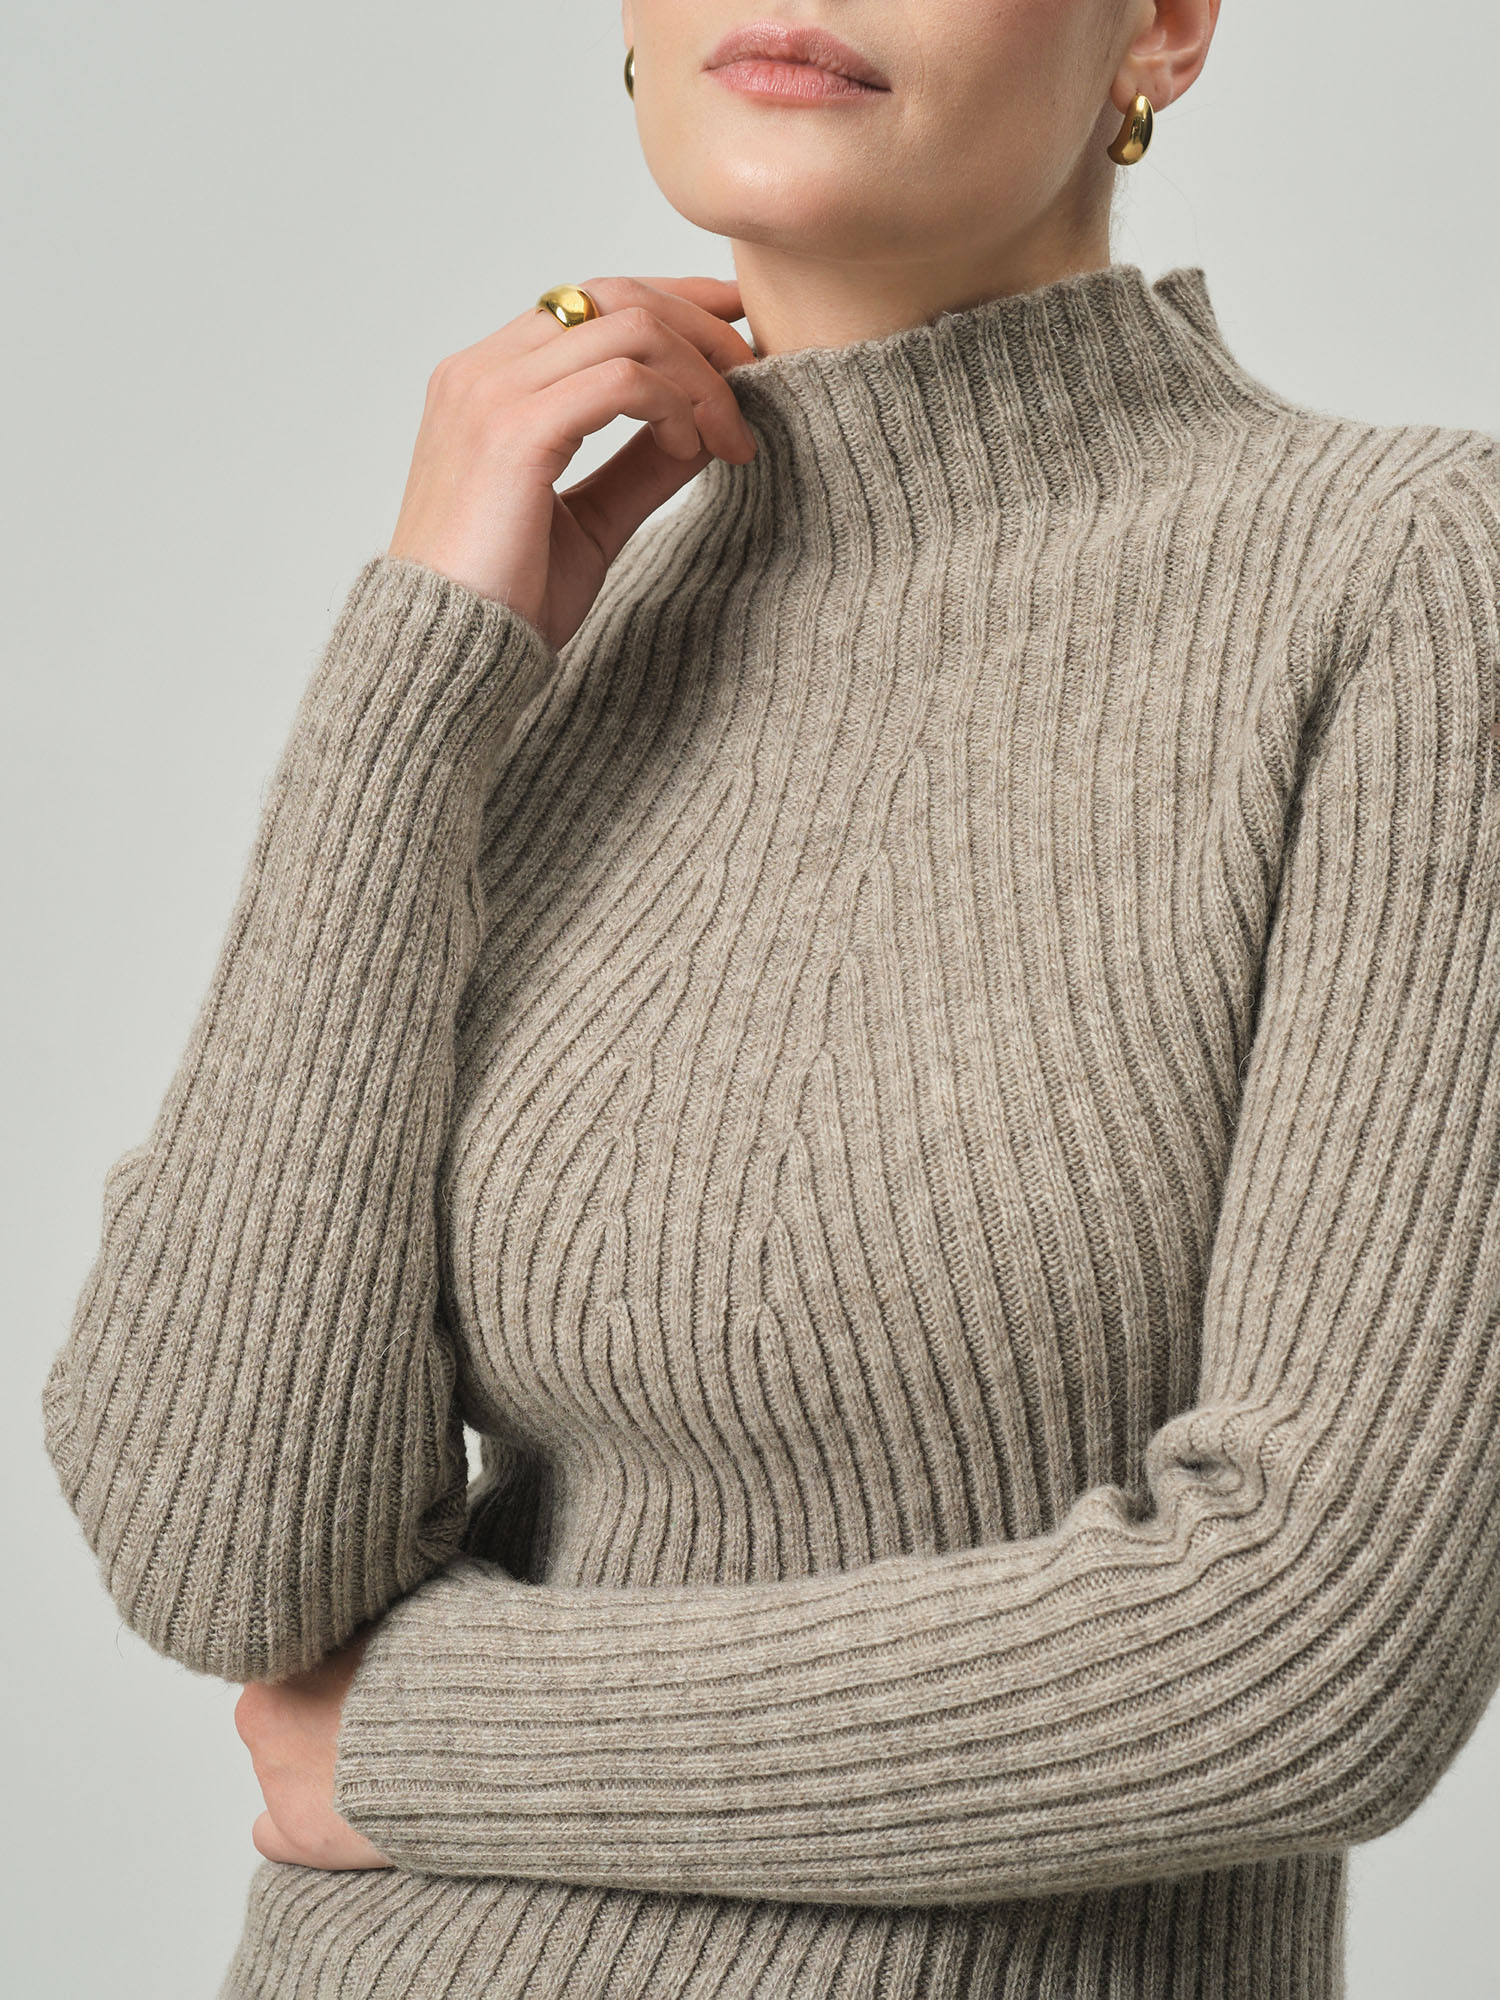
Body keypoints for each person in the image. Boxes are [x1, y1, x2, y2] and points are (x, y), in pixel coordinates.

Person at [40, 2, 1500, 1995]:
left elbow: (1316, 1652)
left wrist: (432, 1740)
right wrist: (417, 675)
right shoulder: (546, 634)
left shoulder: (1402, 584)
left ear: (1160, 27)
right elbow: (228, 1556)